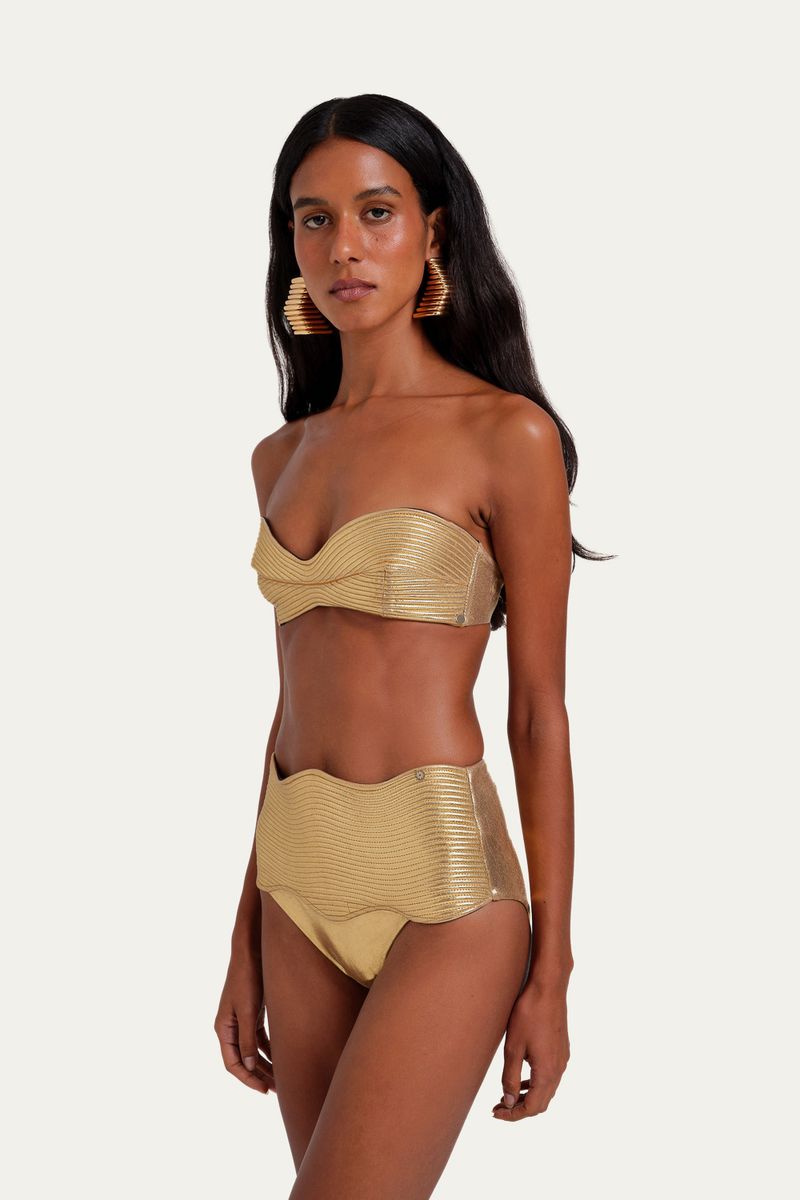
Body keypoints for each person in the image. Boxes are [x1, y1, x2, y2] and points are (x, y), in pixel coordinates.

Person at [215, 93, 608, 1200]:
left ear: (433, 231)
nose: (344, 246)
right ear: (290, 244)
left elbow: (537, 713)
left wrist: (553, 971)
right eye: (314, 218)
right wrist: (241, 932)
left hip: (443, 885)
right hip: (295, 880)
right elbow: (293, 702)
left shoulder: (506, 435)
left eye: (375, 212)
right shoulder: (279, 456)